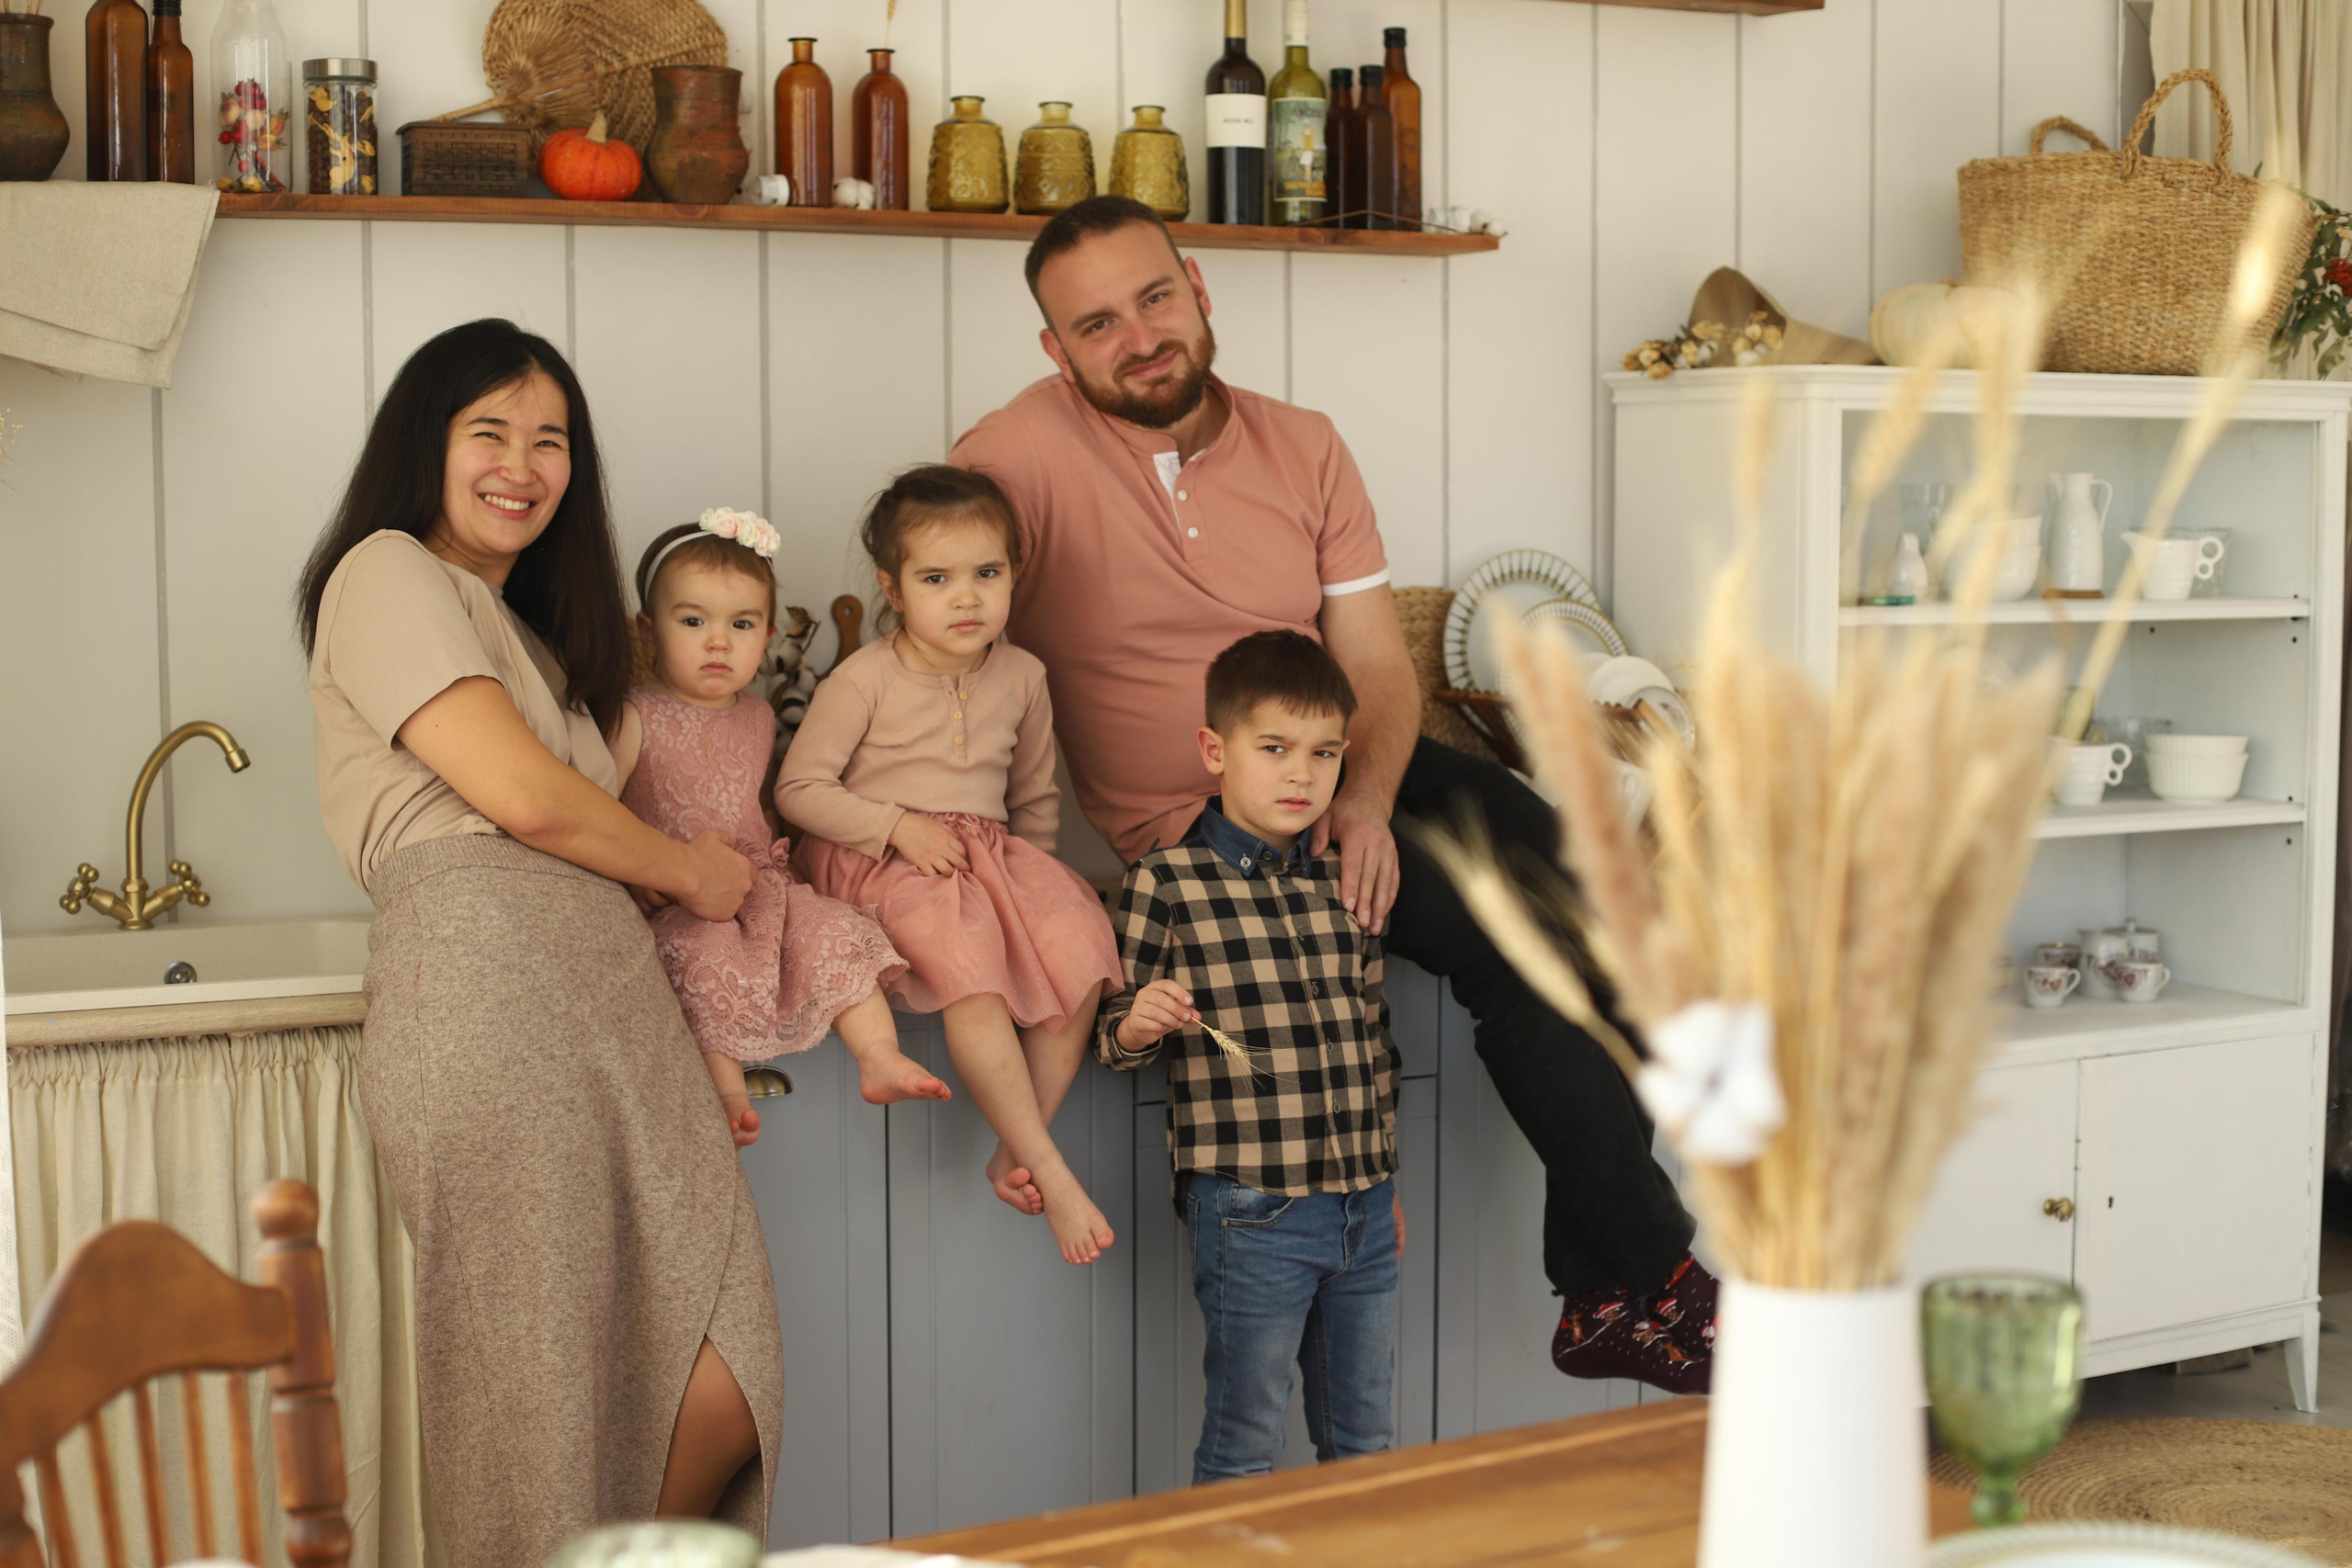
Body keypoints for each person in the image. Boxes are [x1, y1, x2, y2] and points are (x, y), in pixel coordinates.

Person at [951, 196, 1715, 1393]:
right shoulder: (1005, 461)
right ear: (1057, 350)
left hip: (1350, 765)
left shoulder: (1304, 442)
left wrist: (1361, 800)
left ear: (1198, 284)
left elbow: (1373, 665)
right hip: (1211, 825)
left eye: (1154, 296)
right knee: (1520, 946)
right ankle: (1653, 1278)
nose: (1138, 335)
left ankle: (1612, 1288)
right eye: (1096, 323)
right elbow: (945, 634)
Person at [298, 318, 783, 1565]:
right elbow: (519, 796)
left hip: (605, 1001)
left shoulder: (534, 635)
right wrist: (694, 874)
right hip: (485, 989)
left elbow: (602, 778)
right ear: (427, 444)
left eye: (551, 439)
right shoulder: (385, 568)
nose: (524, 462)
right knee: (538, 1397)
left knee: (721, 1373)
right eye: (490, 431)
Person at [776, 465, 1125, 1265]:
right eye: (938, 578)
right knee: (972, 965)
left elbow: (1035, 800)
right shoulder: (862, 678)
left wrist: (1033, 898)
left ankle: (1017, 1144)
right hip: (880, 855)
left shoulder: (1025, 676)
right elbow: (798, 790)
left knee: (1079, 944)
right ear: (893, 590)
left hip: (987, 856)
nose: (966, 598)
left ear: (1013, 576)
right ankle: (1050, 1165)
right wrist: (896, 825)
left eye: (987, 574)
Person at [1099, 631, 1402, 1483]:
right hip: (1251, 1209)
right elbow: (1112, 1035)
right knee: (1245, 1440)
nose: (1300, 775)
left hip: (1363, 1207)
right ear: (1215, 749)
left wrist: (1384, 1184)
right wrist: (1137, 1026)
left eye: (1323, 753)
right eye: (1274, 749)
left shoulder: (1341, 882)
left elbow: (1374, 1039)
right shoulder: (1167, 881)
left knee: (1366, 1442)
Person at [611, 509, 951, 1145]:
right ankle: (728, 1098)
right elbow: (597, 808)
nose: (719, 642)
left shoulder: (760, 715)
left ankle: (879, 1055)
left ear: (767, 635)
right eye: (693, 621)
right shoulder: (636, 715)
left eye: (740, 625)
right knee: (704, 959)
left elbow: (759, 806)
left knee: (834, 931)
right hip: (680, 894)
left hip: (759, 881)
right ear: (648, 630)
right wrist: (639, 874)